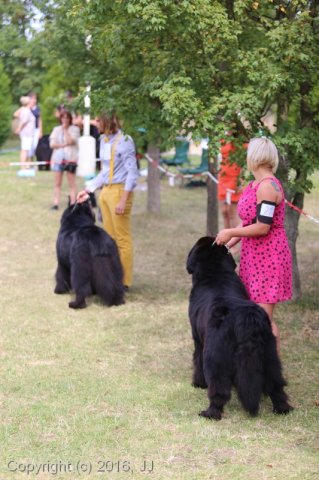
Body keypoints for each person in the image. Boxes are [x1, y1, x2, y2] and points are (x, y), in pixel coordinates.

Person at [215, 137, 292, 352]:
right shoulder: (253, 185)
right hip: (253, 258)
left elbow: (262, 227)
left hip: (269, 259)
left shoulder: (268, 187)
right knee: (253, 316)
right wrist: (229, 242)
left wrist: (230, 230)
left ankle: (270, 373)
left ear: (254, 157)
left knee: (263, 321)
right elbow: (248, 222)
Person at [77, 112, 139, 290]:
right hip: (106, 191)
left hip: (120, 192)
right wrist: (88, 190)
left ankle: (125, 281)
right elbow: (104, 173)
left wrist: (123, 200)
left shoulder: (125, 140)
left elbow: (132, 173)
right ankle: (112, 276)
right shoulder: (103, 141)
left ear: (106, 121)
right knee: (109, 240)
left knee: (122, 239)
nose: (96, 124)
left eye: (98, 120)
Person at [49, 110, 80, 209]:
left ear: (70, 119)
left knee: (72, 183)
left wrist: (66, 130)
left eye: (67, 117)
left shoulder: (75, 129)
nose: (65, 119)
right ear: (60, 118)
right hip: (58, 159)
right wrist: (63, 145)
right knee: (57, 183)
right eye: (63, 117)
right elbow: (52, 144)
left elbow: (70, 141)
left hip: (70, 159)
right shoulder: (56, 129)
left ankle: (72, 204)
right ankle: (56, 203)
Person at [218, 139, 243, 229]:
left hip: (235, 179)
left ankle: (238, 239)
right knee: (224, 212)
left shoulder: (242, 140)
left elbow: (244, 163)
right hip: (223, 178)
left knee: (232, 213)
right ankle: (226, 241)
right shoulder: (222, 138)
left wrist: (241, 181)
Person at [14, 96, 36, 171]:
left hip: (28, 134)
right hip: (26, 134)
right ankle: (23, 167)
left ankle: (24, 166)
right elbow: (24, 121)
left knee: (26, 150)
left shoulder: (24, 110)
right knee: (24, 150)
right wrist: (19, 129)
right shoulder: (26, 111)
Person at [28, 92, 42, 158]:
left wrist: (40, 131)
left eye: (35, 98)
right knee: (29, 146)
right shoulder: (27, 108)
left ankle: (33, 160)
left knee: (35, 145)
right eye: (33, 98)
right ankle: (29, 162)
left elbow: (40, 119)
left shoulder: (38, 108)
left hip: (36, 129)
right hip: (29, 130)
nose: (34, 100)